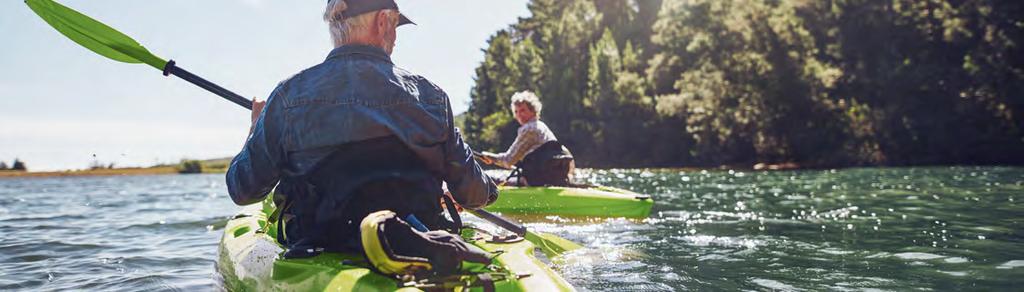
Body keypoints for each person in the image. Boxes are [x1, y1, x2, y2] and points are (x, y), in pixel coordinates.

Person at [225, 0, 497, 275]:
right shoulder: (431, 96)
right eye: (395, 26)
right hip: (420, 238)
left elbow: (243, 189)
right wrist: (489, 188)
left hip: (319, 244)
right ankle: (395, 233)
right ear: (381, 21)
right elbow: (474, 194)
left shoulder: (287, 96)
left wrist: (255, 127)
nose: (395, 37)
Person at [477, 91, 575, 186]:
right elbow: (565, 153)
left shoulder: (529, 129)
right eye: (516, 111)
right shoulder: (541, 126)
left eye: (523, 110)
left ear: (533, 110)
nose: (519, 115)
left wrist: (489, 157)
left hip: (534, 181)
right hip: (550, 179)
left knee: (485, 177)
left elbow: (508, 160)